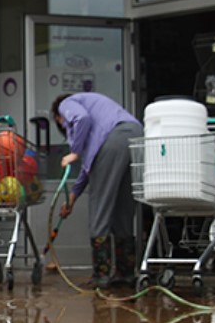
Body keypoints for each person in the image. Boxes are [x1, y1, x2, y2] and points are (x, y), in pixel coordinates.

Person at [51, 92, 146, 293]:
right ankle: (125, 273)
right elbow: (90, 168)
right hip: (136, 136)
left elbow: (81, 118)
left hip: (115, 139)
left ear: (58, 116)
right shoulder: (97, 122)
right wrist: (73, 197)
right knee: (123, 211)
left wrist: (74, 151)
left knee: (100, 209)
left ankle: (101, 276)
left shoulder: (67, 104)